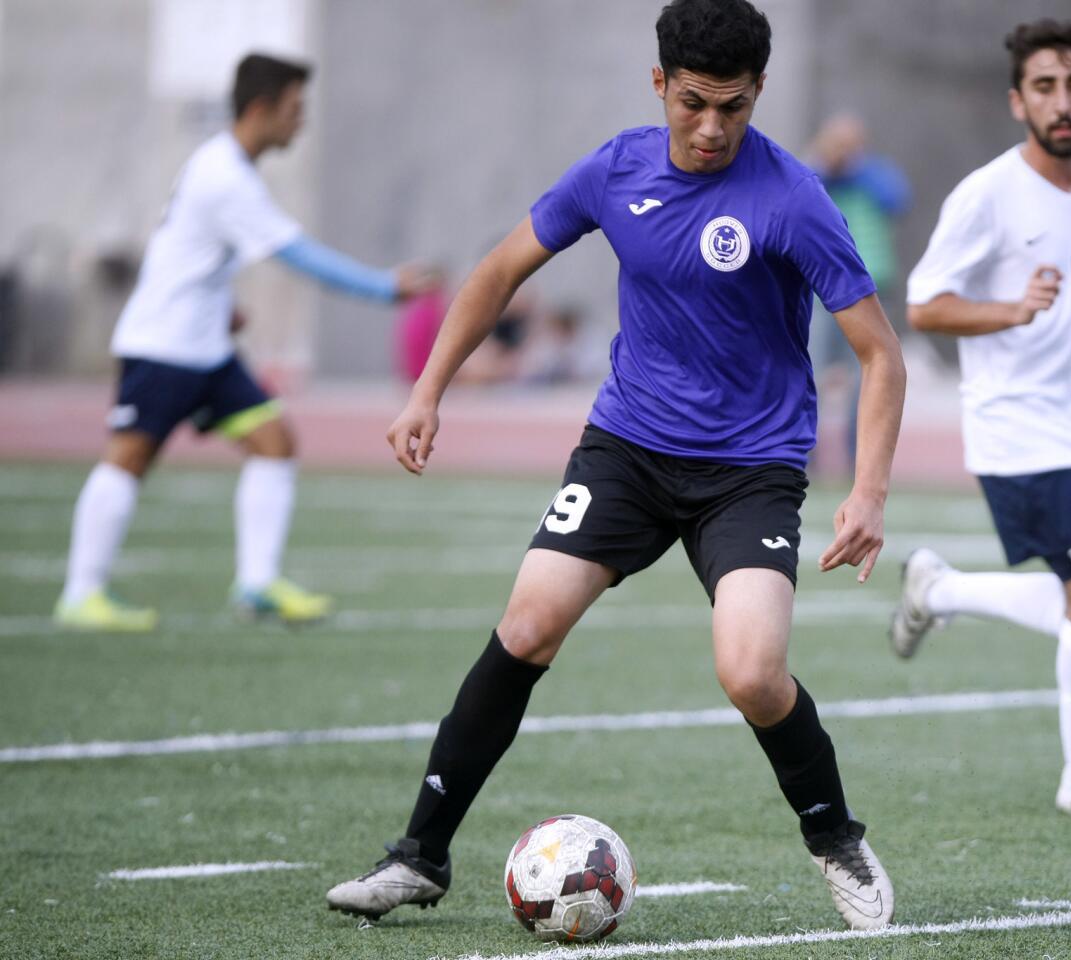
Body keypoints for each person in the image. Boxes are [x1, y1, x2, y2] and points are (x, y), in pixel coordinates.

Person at [324, 0, 905, 931]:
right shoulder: (615, 168)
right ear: (658, 85)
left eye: (735, 107)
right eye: (693, 103)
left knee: (752, 674)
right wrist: (429, 388)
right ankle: (418, 857)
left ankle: (835, 836)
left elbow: (881, 354)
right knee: (526, 627)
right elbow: (501, 268)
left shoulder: (792, 197)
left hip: (750, 467)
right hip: (627, 449)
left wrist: (868, 490)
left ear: (758, 95)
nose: (712, 127)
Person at [891, 18, 1071, 818]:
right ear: (1018, 102)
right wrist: (1012, 310)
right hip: (1016, 427)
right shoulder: (987, 194)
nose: (1064, 102)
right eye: (1046, 88)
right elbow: (924, 306)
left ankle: (942, 590)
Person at [53, 53, 433, 631]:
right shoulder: (224, 175)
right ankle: (81, 594)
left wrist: (221, 308)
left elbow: (187, 251)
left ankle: (257, 584)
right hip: (164, 345)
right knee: (128, 460)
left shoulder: (228, 167)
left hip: (205, 346)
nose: (300, 122)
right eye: (294, 110)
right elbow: (295, 253)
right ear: (261, 109)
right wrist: (384, 287)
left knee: (275, 441)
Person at [806, 113, 911, 472]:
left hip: (872, 289)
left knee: (868, 376)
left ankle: (858, 457)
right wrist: (827, 165)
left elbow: (897, 198)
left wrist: (855, 168)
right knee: (810, 372)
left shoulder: (874, 175)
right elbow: (796, 194)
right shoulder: (815, 175)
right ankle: (805, 455)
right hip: (821, 292)